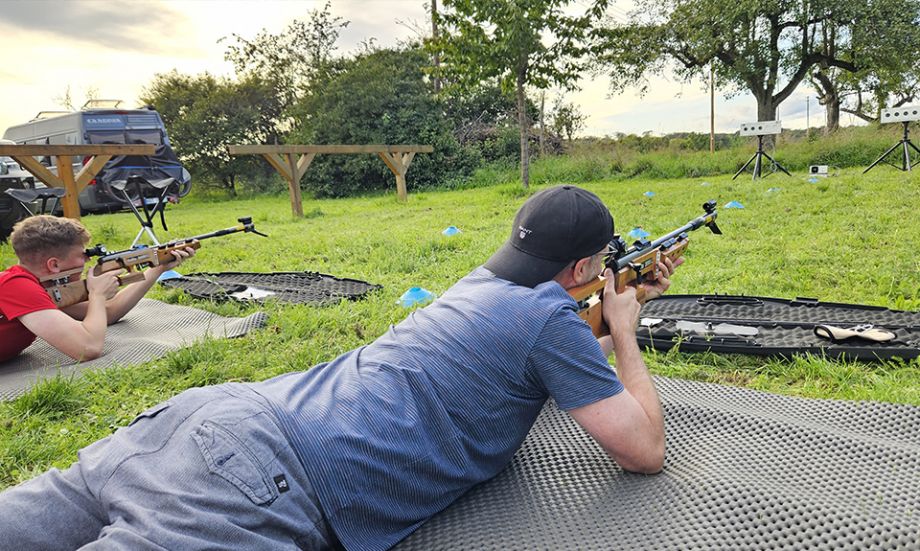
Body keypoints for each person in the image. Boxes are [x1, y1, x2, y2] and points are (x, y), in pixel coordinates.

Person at [0, 185, 679, 550]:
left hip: (200, 419)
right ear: (587, 267)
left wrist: (625, 302)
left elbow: (549, 360)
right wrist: (626, 329)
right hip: (259, 483)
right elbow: (642, 449)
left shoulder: (480, 285)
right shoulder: (549, 320)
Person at [0, 215, 194, 363]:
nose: (87, 260)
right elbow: (87, 348)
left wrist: (159, 267)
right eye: (82, 254)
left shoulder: (41, 286)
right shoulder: (17, 285)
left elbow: (108, 313)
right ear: (54, 265)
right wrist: (97, 294)